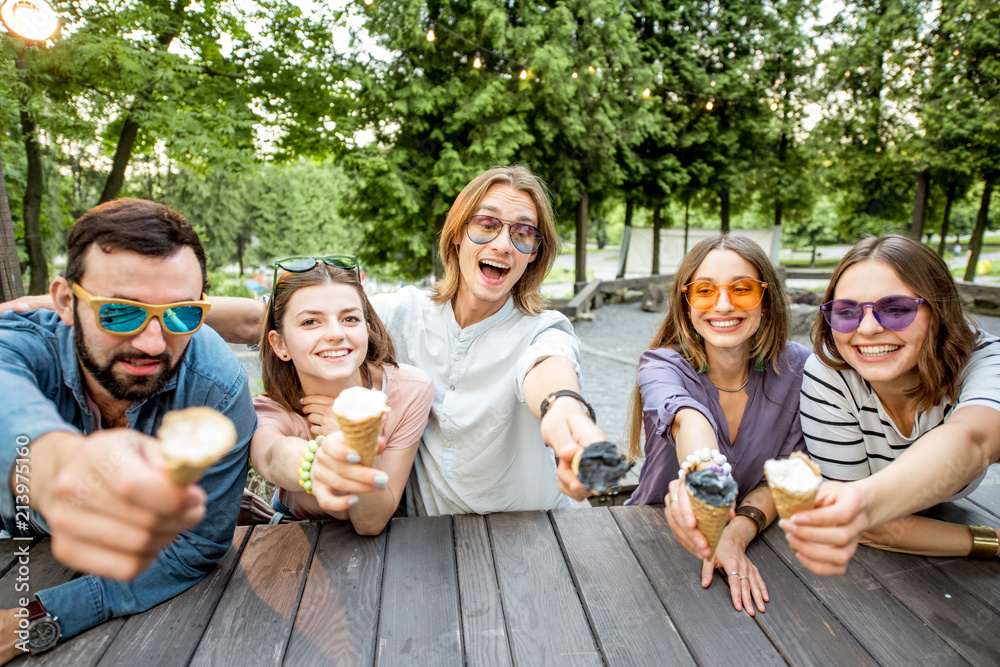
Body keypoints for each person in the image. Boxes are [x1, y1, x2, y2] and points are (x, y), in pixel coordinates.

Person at [205, 165, 607, 514]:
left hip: (529, 533)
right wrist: (168, 310)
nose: (503, 244)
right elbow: (266, 319)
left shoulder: (542, 328)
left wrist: (563, 411)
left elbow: (550, 370)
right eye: (487, 225)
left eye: (524, 233)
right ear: (457, 235)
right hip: (424, 545)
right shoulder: (403, 312)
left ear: (535, 252)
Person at [0, 199, 254, 660]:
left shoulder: (216, 387)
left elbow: (196, 547)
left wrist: (36, 618)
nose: (152, 343)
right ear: (64, 301)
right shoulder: (22, 344)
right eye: (119, 312)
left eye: (179, 315)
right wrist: (57, 460)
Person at [787, 234, 1000, 575]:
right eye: (847, 312)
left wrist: (860, 504)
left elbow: (973, 439)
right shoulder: (831, 371)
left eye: (896, 309)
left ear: (938, 310)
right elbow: (867, 525)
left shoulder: (987, 361)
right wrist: (992, 541)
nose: (868, 328)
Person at [624, 234, 809, 616]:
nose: (723, 304)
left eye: (742, 289)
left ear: (767, 298)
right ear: (686, 303)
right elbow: (686, 418)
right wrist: (705, 480)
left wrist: (736, 533)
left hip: (758, 541)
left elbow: (792, 473)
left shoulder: (798, 368)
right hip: (653, 538)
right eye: (704, 291)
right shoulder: (660, 365)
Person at [250, 257, 433, 533]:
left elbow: (370, 522)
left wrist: (357, 442)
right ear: (280, 344)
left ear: (366, 330)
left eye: (350, 318)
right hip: (295, 542)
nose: (336, 334)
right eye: (311, 322)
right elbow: (274, 456)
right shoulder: (272, 409)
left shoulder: (411, 391)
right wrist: (318, 462)